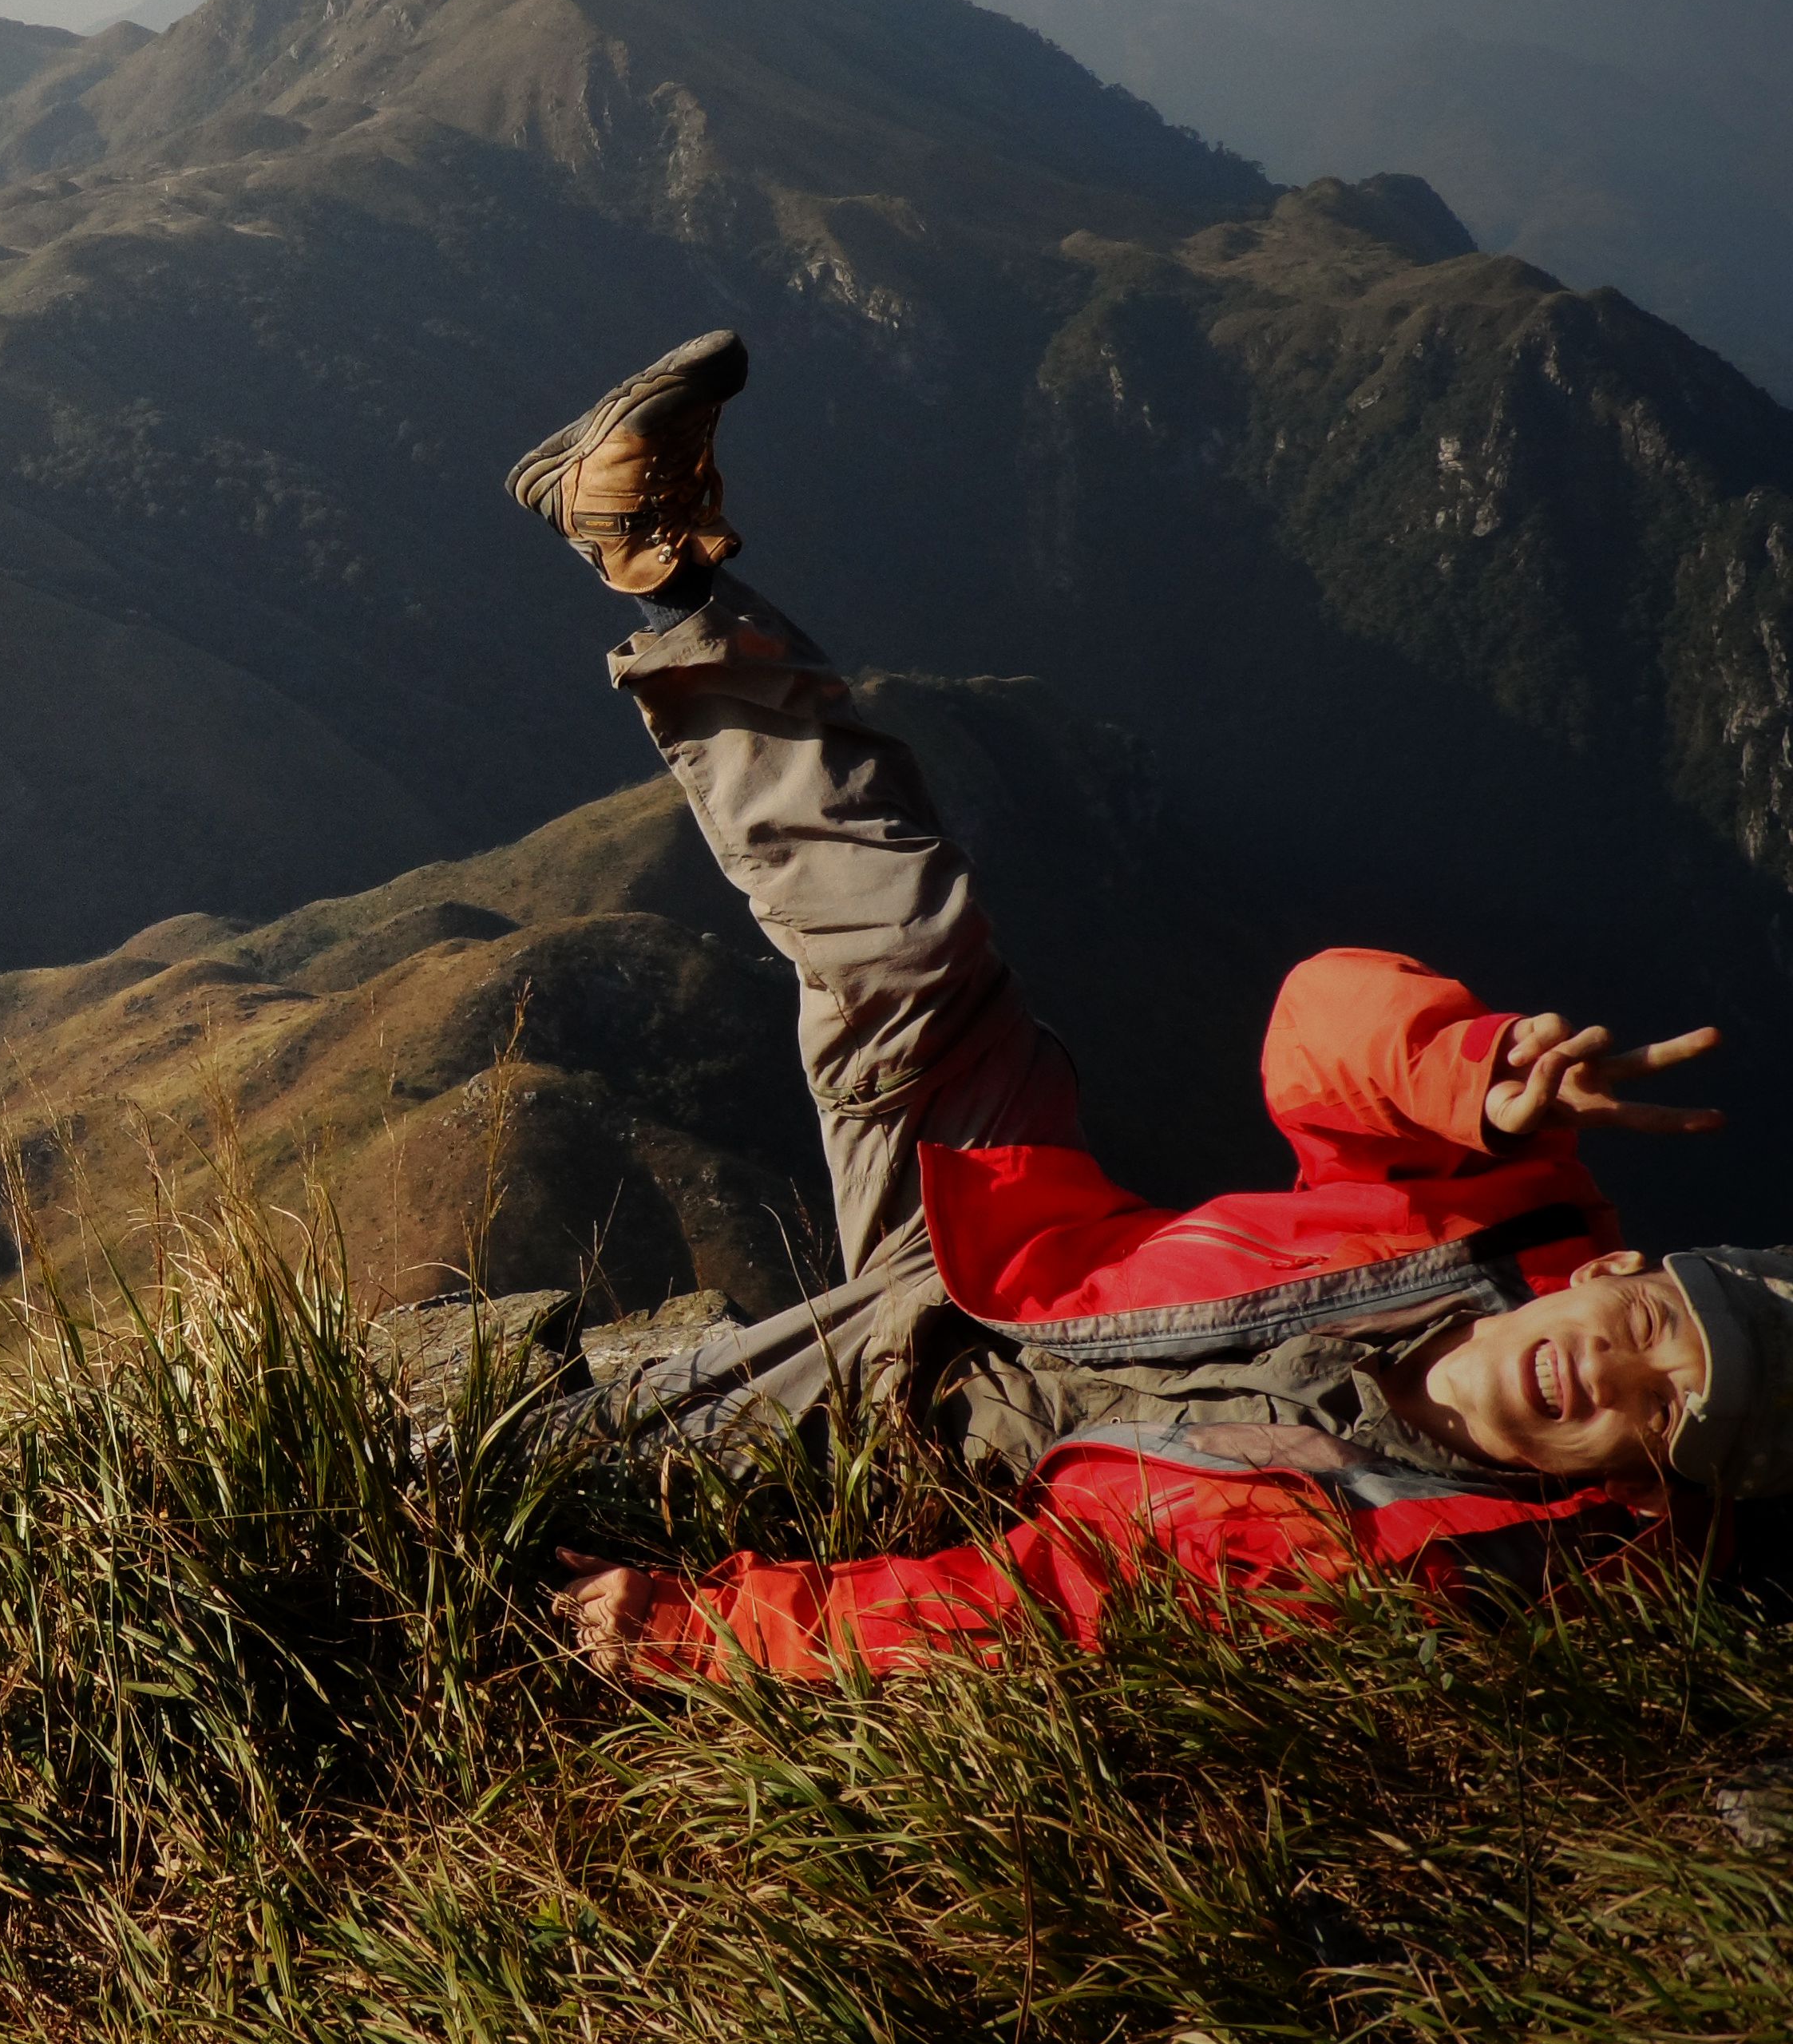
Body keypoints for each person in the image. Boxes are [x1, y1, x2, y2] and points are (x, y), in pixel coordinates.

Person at [508, 328, 1793, 1682]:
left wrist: (694, 1628)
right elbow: (1317, 1029)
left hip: (924, 1396)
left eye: (1672, 1418)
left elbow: (1026, 1607)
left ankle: (446, 1497)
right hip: (1022, 1230)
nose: (1616, 1378)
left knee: (545, 1477)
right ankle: (664, 577)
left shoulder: (1421, 1563)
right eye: (1658, 1336)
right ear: (1617, 1274)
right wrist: (1467, 1071)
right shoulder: (1509, 1209)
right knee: (913, 946)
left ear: (1658, 1489)